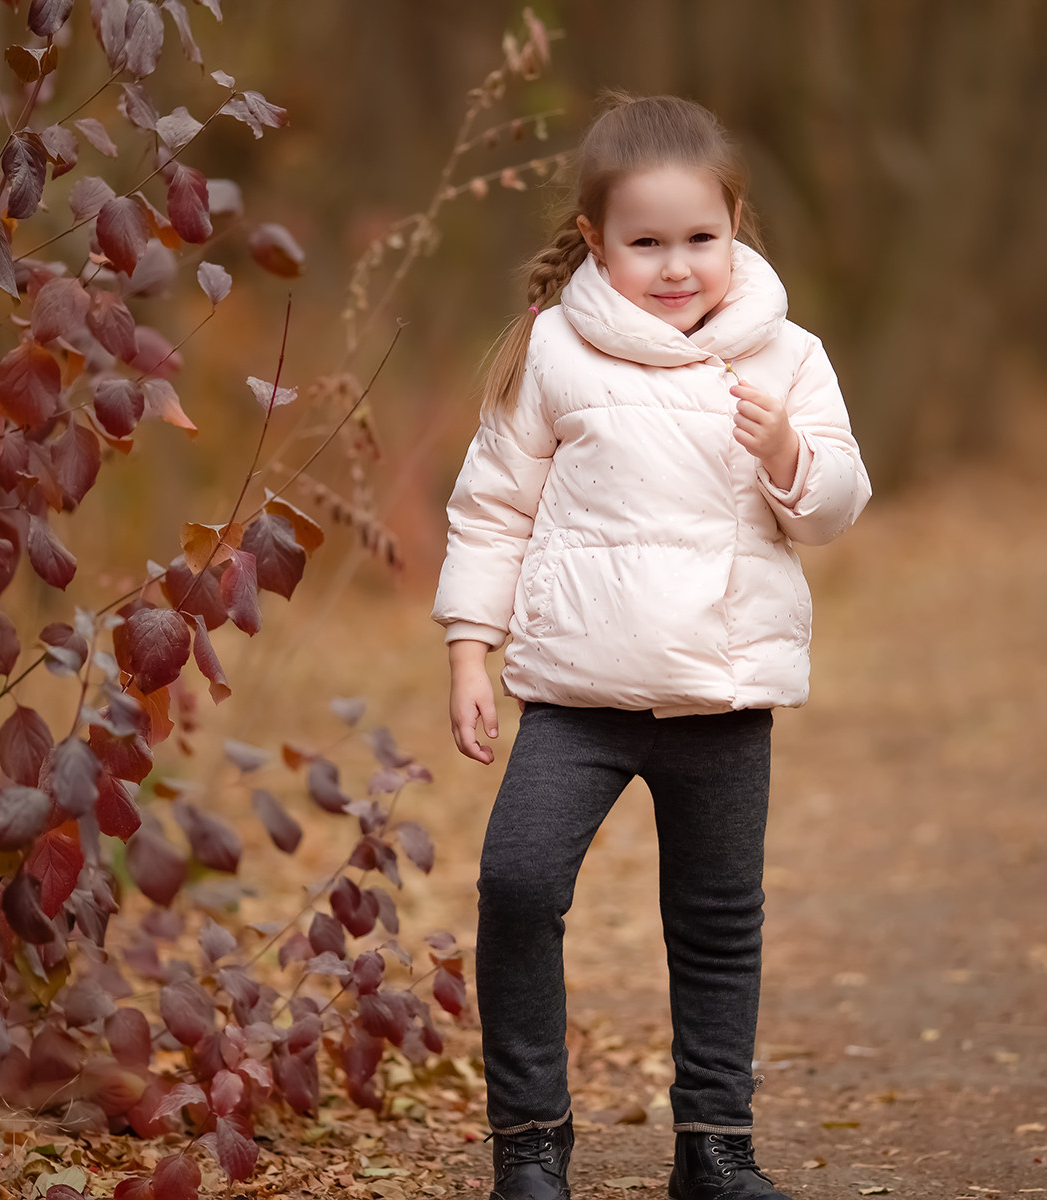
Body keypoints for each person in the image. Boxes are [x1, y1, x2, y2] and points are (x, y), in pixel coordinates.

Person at [431, 94, 870, 1200]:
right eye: (646, 242)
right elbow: (493, 509)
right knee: (520, 884)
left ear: (736, 226)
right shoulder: (554, 352)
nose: (677, 267)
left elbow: (833, 509)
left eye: (699, 239)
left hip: (722, 694)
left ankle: (714, 1148)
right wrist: (468, 649)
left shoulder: (790, 357)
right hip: (577, 694)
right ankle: (530, 1143)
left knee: (718, 922)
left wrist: (787, 455)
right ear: (595, 239)